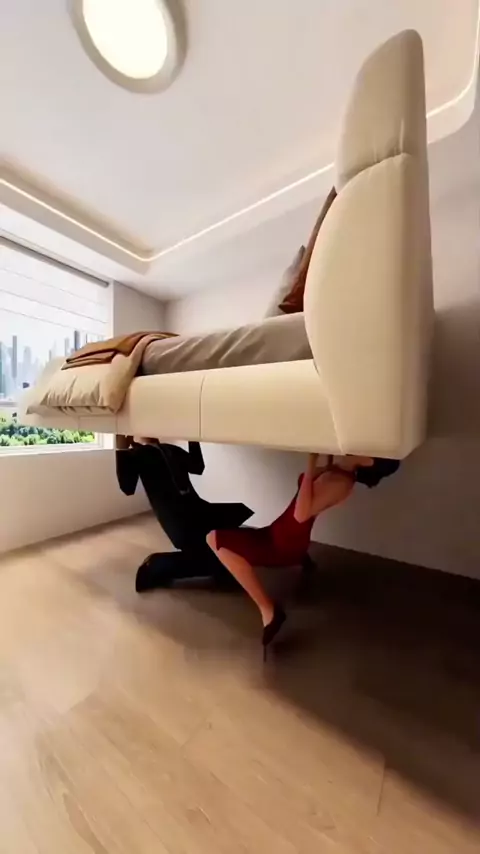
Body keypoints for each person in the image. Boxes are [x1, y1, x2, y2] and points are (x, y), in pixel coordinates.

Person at [207, 453, 400, 657]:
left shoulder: (342, 482)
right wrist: (322, 460)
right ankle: (298, 563)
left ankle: (268, 610)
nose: (362, 449)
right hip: (276, 532)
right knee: (221, 540)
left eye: (370, 453)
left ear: (369, 463)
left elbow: (301, 514)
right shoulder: (338, 470)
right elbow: (309, 480)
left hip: (285, 542)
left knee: (215, 539)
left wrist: (311, 463)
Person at [116, 438, 253, 591]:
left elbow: (197, 467)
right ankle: (155, 565)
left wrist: (193, 438)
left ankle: (218, 566)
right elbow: (127, 488)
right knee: (214, 557)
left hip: (197, 508)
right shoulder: (137, 454)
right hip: (177, 519)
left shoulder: (170, 449)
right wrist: (121, 449)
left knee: (237, 517)